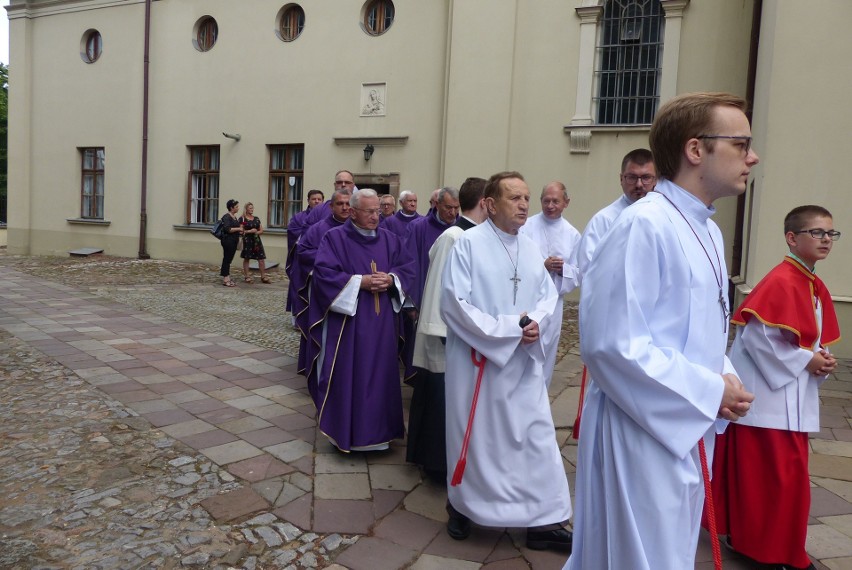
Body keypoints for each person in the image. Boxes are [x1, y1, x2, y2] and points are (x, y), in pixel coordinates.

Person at [566, 92, 758, 570]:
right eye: (740, 143)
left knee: (671, 553)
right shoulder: (643, 226)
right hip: (640, 433)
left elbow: (699, 321)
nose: (752, 156)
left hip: (684, 421)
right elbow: (612, 345)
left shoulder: (707, 230)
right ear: (696, 150)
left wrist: (724, 374)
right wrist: (708, 389)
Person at [441, 171, 572, 551]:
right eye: (514, 198)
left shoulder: (530, 247)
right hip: (479, 361)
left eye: (526, 198)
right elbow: (454, 304)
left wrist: (536, 324)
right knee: (479, 438)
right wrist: (511, 327)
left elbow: (547, 297)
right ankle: (464, 508)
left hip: (524, 363)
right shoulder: (467, 245)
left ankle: (542, 521)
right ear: (490, 204)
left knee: (535, 438)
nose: (524, 205)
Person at [709, 205, 840, 570]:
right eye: (817, 233)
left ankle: (779, 548)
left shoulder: (811, 283)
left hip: (790, 401)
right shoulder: (781, 280)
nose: (826, 240)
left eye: (831, 234)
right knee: (769, 483)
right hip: (767, 404)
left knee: (787, 484)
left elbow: (807, 337)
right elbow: (756, 338)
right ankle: (765, 550)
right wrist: (806, 361)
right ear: (792, 238)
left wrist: (821, 360)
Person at [307, 189, 415, 451]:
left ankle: (381, 435)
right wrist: (359, 282)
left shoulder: (390, 239)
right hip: (349, 326)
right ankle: (348, 434)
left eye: (377, 211)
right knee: (351, 375)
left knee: (381, 377)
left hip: (382, 327)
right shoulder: (334, 239)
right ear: (353, 212)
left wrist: (391, 280)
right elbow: (323, 274)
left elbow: (408, 267)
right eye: (369, 211)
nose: (375, 216)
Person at [408, 176, 487, 483]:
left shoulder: (474, 235)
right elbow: (439, 286)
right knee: (439, 400)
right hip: (443, 336)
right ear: (484, 202)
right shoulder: (454, 236)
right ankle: (436, 464)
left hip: (459, 336)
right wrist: (440, 332)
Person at [519, 181, 581, 384]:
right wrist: (542, 265)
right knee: (525, 351)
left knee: (547, 352)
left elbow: (579, 271)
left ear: (567, 202)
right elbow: (517, 261)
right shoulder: (526, 227)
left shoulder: (572, 234)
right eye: (546, 201)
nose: (550, 205)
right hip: (527, 300)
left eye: (555, 201)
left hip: (554, 303)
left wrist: (563, 269)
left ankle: (540, 401)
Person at [400, 187, 460, 380]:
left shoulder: (462, 230)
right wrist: (411, 302)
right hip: (424, 300)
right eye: (448, 207)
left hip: (453, 302)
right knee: (423, 353)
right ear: (437, 205)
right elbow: (409, 264)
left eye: (456, 208)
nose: (452, 213)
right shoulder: (418, 228)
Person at [293, 189, 352, 378]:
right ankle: (322, 373)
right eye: (340, 204)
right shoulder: (318, 229)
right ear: (331, 206)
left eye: (348, 203)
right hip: (323, 293)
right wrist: (329, 260)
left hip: (353, 294)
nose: (344, 207)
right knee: (325, 337)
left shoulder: (361, 230)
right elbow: (302, 253)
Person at [577, 148, 656, 276]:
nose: (639, 184)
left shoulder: (664, 217)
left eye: (646, 177)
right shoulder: (603, 221)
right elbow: (588, 271)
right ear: (621, 179)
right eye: (632, 177)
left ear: (656, 180)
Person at [286, 190, 324, 312]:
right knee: (299, 286)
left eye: (319, 199)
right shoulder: (299, 217)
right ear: (308, 201)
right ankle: (298, 316)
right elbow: (293, 231)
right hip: (302, 259)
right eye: (314, 199)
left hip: (321, 258)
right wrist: (310, 234)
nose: (317, 201)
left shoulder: (327, 217)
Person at [239, 202, 270, 284]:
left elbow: (261, 230)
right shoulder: (243, 219)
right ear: (246, 209)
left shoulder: (256, 218)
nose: (252, 209)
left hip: (256, 240)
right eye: (250, 208)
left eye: (252, 208)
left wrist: (256, 232)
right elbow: (241, 231)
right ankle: (247, 276)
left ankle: (263, 276)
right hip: (247, 240)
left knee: (261, 258)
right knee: (247, 258)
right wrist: (250, 231)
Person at [219, 199, 244, 287]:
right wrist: (238, 229)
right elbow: (228, 229)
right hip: (227, 240)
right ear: (231, 208)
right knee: (227, 259)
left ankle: (227, 277)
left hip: (234, 240)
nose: (238, 208)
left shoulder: (234, 217)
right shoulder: (227, 216)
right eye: (236, 206)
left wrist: (240, 231)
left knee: (229, 259)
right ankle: (226, 279)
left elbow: (235, 228)